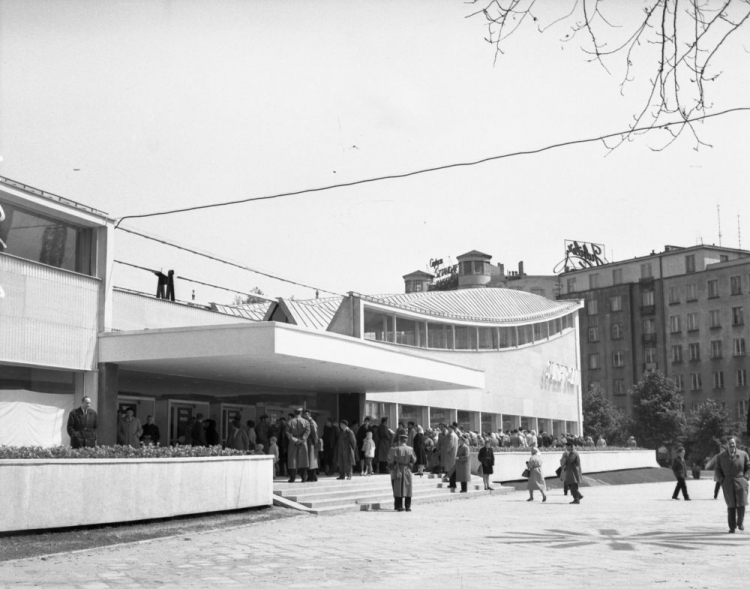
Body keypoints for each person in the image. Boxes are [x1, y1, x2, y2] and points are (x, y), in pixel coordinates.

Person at [715, 436, 750, 533]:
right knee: (731, 505)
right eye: (730, 443)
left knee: (741, 504)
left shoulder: (743, 454)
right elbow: (717, 470)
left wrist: (746, 478)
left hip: (741, 481)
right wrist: (722, 480)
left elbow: (748, 467)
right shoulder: (721, 456)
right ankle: (732, 527)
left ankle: (740, 523)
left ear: (736, 444)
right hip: (728, 483)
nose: (732, 445)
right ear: (727, 445)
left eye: (733, 443)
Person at [388, 434, 417, 511]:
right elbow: (414, 460)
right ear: (406, 440)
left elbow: (391, 460)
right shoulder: (410, 449)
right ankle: (408, 506)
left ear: (399, 440)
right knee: (408, 488)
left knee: (398, 487)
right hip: (407, 470)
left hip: (398, 469)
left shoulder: (395, 449)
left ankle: (399, 506)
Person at [286, 408, 311, 483]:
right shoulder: (306, 421)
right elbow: (307, 432)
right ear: (301, 413)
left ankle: (292, 478)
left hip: (293, 443)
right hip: (303, 443)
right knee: (303, 460)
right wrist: (302, 439)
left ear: (294, 412)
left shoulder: (290, 422)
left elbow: (288, 433)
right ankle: (303, 478)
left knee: (292, 460)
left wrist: (295, 440)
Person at [302, 409, 319, 482]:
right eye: (303, 414)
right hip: (309, 442)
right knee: (309, 460)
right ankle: (312, 476)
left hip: (310, 443)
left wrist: (315, 443)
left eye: (306, 414)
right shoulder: (307, 422)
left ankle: (312, 476)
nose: (304, 416)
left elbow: (314, 434)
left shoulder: (311, 422)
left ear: (309, 414)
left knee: (311, 460)